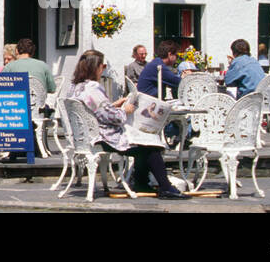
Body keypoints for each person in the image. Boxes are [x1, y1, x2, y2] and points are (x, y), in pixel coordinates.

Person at [66, 51, 186, 199]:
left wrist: (113, 105)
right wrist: (125, 111)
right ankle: (165, 187)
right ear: (95, 67)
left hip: (86, 136)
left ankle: (142, 183)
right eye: (102, 66)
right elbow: (110, 117)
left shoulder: (74, 87)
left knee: (144, 143)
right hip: (104, 136)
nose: (103, 69)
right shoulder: (93, 88)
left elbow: (94, 110)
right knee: (150, 144)